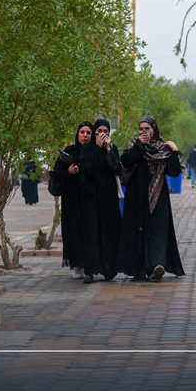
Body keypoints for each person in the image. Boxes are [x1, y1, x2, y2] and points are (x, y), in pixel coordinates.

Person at [116, 116, 184, 281]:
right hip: (137, 198)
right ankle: (139, 268)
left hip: (158, 197)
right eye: (141, 129)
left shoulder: (163, 148)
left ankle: (156, 264)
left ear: (154, 129)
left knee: (158, 230)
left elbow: (174, 171)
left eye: (147, 128)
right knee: (138, 231)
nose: (143, 132)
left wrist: (174, 151)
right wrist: (140, 145)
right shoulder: (134, 145)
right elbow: (126, 161)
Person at [75, 118, 123, 283]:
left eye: (105, 132)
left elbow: (117, 168)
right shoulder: (87, 149)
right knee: (92, 232)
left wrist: (108, 150)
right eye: (99, 132)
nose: (102, 135)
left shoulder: (112, 149)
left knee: (109, 231)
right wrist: (97, 147)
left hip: (108, 196)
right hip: (91, 196)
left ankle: (108, 268)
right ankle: (90, 270)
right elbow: (88, 166)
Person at [52, 121, 94, 279]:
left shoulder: (94, 152)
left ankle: (90, 265)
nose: (85, 135)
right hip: (72, 200)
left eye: (88, 133)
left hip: (90, 200)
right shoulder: (69, 152)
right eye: (82, 132)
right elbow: (57, 176)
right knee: (74, 232)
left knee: (89, 232)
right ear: (77, 134)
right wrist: (69, 172)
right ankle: (76, 264)